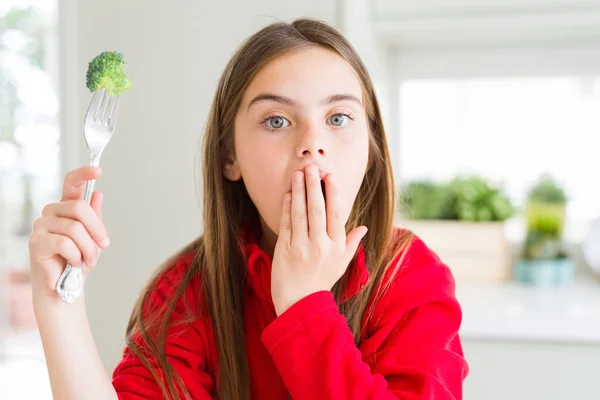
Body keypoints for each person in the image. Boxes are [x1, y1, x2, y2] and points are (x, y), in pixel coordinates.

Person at [29, 18, 469, 400]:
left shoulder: (412, 281)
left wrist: (303, 306)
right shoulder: (186, 292)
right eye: (276, 120)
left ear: (371, 150)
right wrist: (57, 305)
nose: (312, 144)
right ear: (229, 156)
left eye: (338, 118)